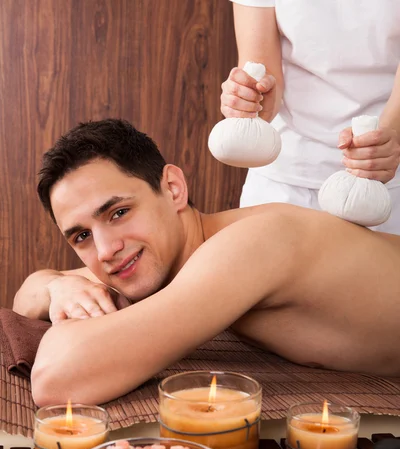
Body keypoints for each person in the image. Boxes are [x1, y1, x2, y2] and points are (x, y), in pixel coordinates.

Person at [13, 118, 400, 407]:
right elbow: (26, 298)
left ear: (174, 189)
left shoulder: (250, 245)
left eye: (118, 213)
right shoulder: (150, 254)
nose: (105, 250)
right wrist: (56, 285)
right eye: (82, 236)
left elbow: (56, 379)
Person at [221, 0, 400, 233]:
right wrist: (252, 97)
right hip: (284, 177)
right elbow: (261, 64)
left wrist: (388, 138)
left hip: (385, 184)